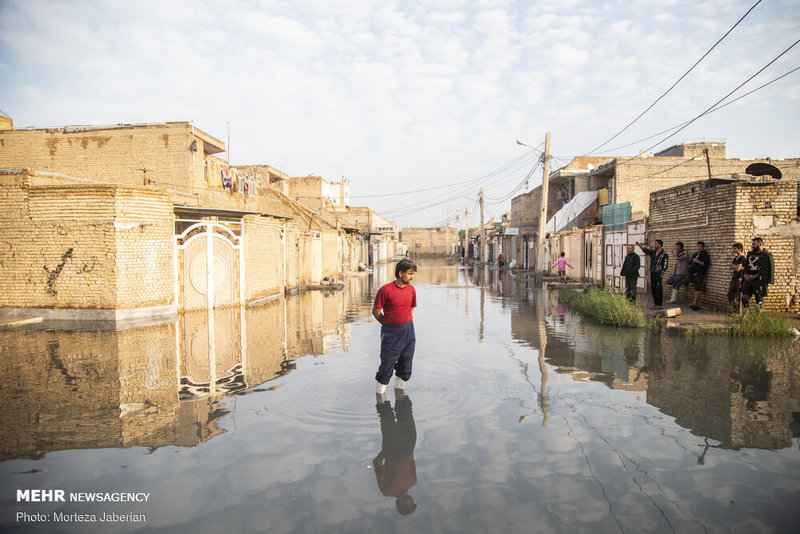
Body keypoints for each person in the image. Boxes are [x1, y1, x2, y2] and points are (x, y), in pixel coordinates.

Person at [373, 258, 418, 394]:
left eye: (413, 274)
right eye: (410, 274)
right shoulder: (385, 290)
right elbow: (376, 312)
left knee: (406, 364)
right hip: (391, 332)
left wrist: (403, 321)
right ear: (400, 273)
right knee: (387, 364)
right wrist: (389, 324)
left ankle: (399, 393)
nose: (412, 277)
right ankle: (380, 399)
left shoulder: (411, 290)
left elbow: (411, 308)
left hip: (408, 331)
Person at [373, 391, 417, 515]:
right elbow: (412, 460)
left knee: (385, 414)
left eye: (409, 505)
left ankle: (380, 390)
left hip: (392, 450)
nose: (411, 502)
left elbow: (377, 463)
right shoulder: (413, 481)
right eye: (412, 504)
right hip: (409, 445)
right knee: (405, 410)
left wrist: (386, 451)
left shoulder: (387, 491)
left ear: (400, 504)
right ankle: (399, 389)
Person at [741, 237, 772, 312]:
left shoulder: (766, 255)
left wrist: (755, 276)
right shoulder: (750, 254)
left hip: (758, 281)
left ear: (760, 244)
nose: (752, 246)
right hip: (748, 280)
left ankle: (758, 316)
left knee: (759, 299)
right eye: (752, 244)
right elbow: (746, 265)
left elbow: (766, 270)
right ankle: (745, 314)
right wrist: (744, 275)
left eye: (754, 244)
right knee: (745, 298)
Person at [636, 239, 669, 309]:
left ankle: (660, 304)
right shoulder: (653, 253)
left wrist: (662, 273)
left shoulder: (664, 255)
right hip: (653, 272)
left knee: (658, 288)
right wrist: (639, 245)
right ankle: (656, 304)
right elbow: (645, 250)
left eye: (656, 244)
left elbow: (665, 265)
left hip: (659, 273)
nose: (655, 245)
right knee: (653, 288)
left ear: (660, 245)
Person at [682, 241, 711, 311]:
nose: (699, 248)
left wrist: (697, 261)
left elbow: (704, 264)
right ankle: (696, 284)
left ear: (703, 247)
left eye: (700, 247)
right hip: (692, 273)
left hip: (699, 273)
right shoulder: (695, 254)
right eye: (698, 246)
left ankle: (695, 303)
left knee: (697, 288)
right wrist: (689, 266)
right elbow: (690, 262)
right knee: (685, 282)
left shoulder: (705, 255)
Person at [727, 243, 747, 311]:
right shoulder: (736, 258)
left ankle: (738, 310)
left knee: (738, 295)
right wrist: (736, 267)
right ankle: (733, 309)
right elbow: (731, 267)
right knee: (730, 294)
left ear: (740, 249)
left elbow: (738, 269)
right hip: (734, 277)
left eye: (735, 249)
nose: (733, 250)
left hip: (739, 278)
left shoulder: (742, 258)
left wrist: (736, 267)